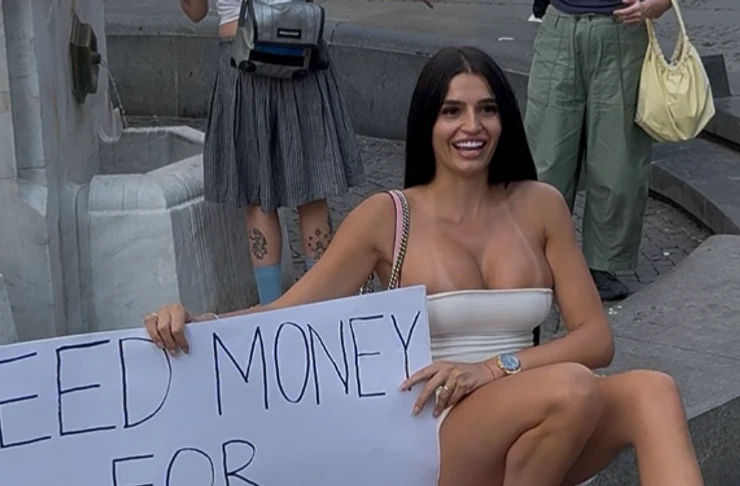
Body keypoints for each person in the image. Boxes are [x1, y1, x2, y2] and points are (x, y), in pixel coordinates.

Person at [144, 46, 703, 485]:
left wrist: (494, 368)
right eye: (452, 111)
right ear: (426, 123)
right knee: (572, 390)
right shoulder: (387, 217)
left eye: (487, 109)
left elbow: (595, 339)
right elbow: (289, 312)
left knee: (652, 391)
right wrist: (196, 324)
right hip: (436, 430)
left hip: (538, 419)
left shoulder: (541, 205)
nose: (472, 126)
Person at [180, 0, 374, 305]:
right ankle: (320, 303)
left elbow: (195, 12)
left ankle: (272, 309)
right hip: (300, 49)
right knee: (311, 192)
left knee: (259, 197)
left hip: (242, 56)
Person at [523, 0, 673, 300]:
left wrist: (662, 2)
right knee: (546, 160)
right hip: (559, 25)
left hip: (624, 29)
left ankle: (603, 264)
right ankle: (537, 256)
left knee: (618, 166)